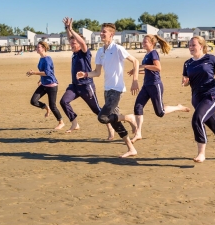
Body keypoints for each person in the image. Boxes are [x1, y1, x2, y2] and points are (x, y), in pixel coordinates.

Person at [77, 22, 139, 157]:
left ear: (112, 34)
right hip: (107, 90)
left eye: (104, 31)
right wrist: (86, 74)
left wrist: (135, 80)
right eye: (101, 31)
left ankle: (129, 118)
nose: (101, 33)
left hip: (117, 90)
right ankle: (131, 148)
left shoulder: (118, 49)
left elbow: (135, 61)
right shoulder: (100, 51)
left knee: (103, 117)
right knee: (114, 120)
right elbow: (97, 72)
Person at [124, 34, 190, 146]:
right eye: (143, 41)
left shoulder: (154, 53)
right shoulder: (147, 54)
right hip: (146, 85)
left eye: (145, 42)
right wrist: (137, 71)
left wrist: (143, 67)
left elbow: (158, 68)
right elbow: (149, 70)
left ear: (152, 43)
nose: (143, 43)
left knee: (160, 112)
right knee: (138, 107)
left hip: (155, 85)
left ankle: (178, 107)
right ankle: (138, 133)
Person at [59, 17, 114, 138]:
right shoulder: (75, 53)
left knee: (97, 111)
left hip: (86, 86)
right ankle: (74, 124)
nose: (71, 45)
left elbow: (82, 43)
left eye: (74, 43)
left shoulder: (85, 52)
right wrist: (67, 28)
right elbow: (71, 38)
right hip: (75, 86)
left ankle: (110, 127)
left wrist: (71, 29)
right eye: (71, 43)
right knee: (63, 101)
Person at [27, 41, 65, 130]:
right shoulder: (41, 59)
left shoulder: (48, 59)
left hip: (52, 85)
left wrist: (34, 73)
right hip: (44, 84)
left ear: (43, 48)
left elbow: (47, 73)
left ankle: (61, 122)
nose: (36, 48)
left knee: (53, 106)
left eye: (38, 47)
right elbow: (43, 71)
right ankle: (46, 108)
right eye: (36, 47)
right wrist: (40, 79)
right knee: (33, 101)